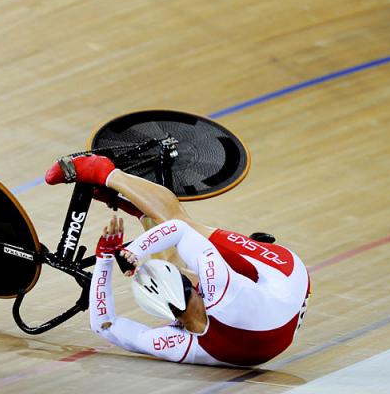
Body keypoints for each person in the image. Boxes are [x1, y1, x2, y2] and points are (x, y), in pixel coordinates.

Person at [45, 155, 311, 366]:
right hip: (285, 278)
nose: (195, 283)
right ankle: (114, 179)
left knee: (176, 245)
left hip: (275, 333)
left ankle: (113, 181)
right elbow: (179, 229)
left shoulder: (182, 342)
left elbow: (106, 326)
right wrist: (132, 251)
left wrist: (106, 257)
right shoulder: (218, 288)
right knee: (182, 224)